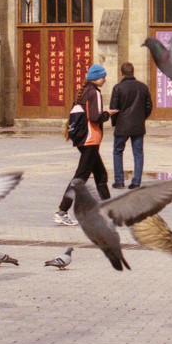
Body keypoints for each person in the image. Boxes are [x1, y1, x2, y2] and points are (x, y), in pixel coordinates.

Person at [55, 65, 116, 225]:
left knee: (101, 175)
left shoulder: (82, 92)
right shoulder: (94, 92)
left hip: (84, 139)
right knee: (80, 178)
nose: (105, 79)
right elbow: (95, 117)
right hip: (90, 139)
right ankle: (62, 211)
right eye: (103, 77)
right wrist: (107, 114)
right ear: (96, 78)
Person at [109, 62, 153, 189]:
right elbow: (149, 106)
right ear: (133, 72)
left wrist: (115, 122)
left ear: (122, 73)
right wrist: (141, 118)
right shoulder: (143, 87)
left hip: (122, 124)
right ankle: (136, 181)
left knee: (117, 151)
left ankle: (119, 180)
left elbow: (114, 108)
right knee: (138, 153)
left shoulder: (118, 88)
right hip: (138, 125)